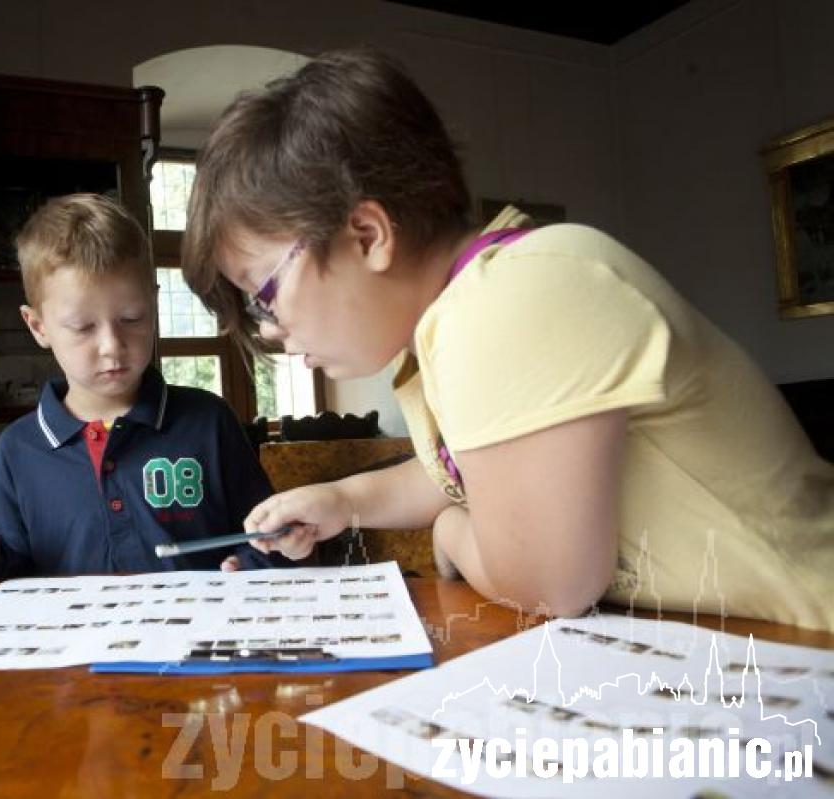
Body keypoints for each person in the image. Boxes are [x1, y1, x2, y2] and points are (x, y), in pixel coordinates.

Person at [179, 49, 834, 631]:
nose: (271, 329)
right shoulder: (466, 312)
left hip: (811, 626)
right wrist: (344, 500)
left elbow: (552, 583)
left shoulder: (511, 298)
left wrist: (451, 533)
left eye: (264, 292)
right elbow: (468, 470)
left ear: (367, 236)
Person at [0, 193, 282, 580]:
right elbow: (14, 574)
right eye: (83, 327)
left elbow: (270, 538)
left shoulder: (208, 421)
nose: (113, 346)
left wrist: (247, 566)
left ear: (154, 304)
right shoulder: (17, 450)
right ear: (37, 326)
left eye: (132, 317)